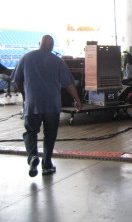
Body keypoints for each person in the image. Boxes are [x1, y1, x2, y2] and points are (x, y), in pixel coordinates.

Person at [12, 35, 82, 177]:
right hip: (52, 104)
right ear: (52, 46)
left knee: (31, 132)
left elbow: (17, 81)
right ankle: (46, 165)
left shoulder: (26, 58)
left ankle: (32, 157)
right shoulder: (57, 61)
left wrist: (25, 95)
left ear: (40, 44)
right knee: (50, 135)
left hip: (33, 104)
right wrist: (78, 100)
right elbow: (69, 84)